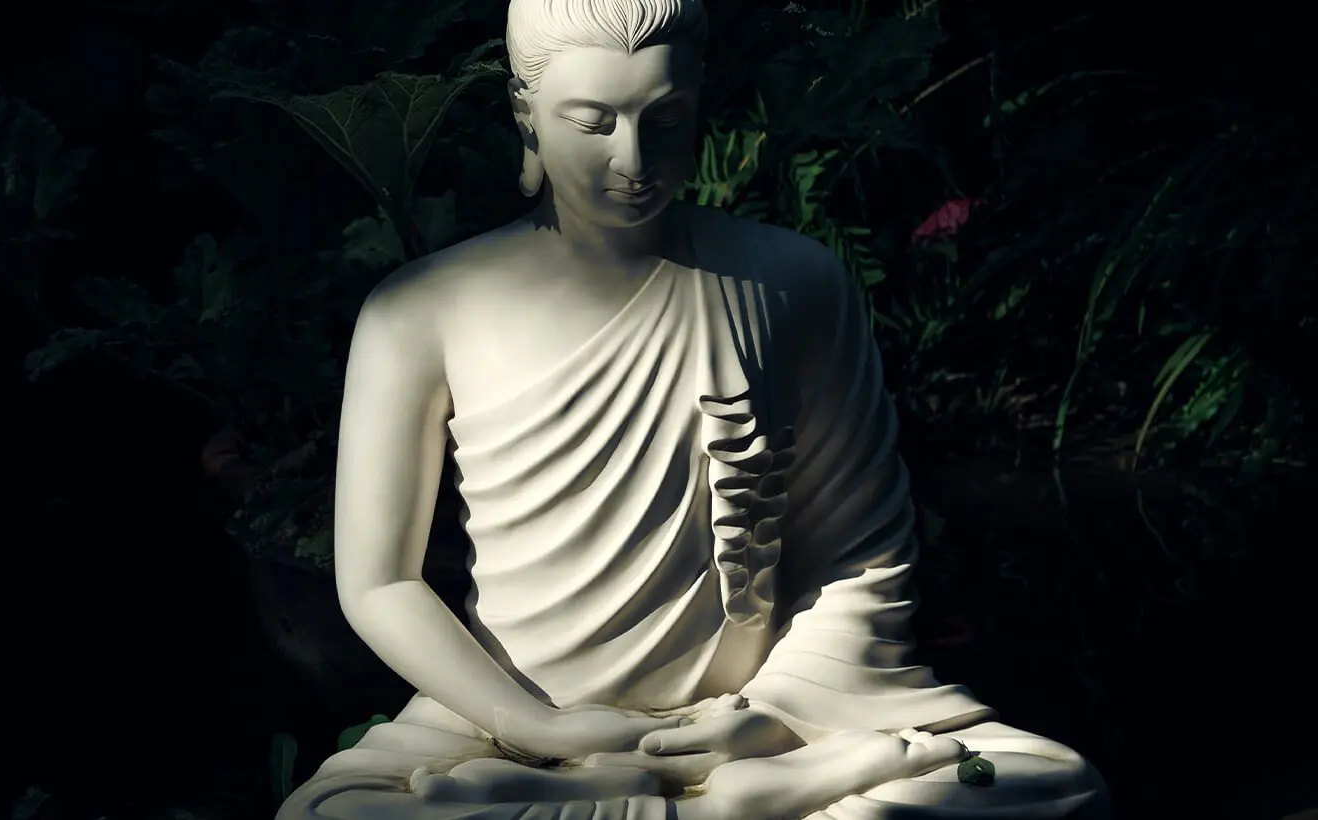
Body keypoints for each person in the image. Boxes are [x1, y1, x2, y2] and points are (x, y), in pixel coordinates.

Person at [277, 1, 1111, 817]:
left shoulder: (792, 282)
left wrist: (773, 717)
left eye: (664, 117)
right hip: (507, 719)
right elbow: (381, 581)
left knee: (1051, 783)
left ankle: (724, 793)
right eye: (593, 121)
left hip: (752, 716)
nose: (633, 157)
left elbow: (859, 554)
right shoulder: (420, 311)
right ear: (526, 117)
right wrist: (536, 725)